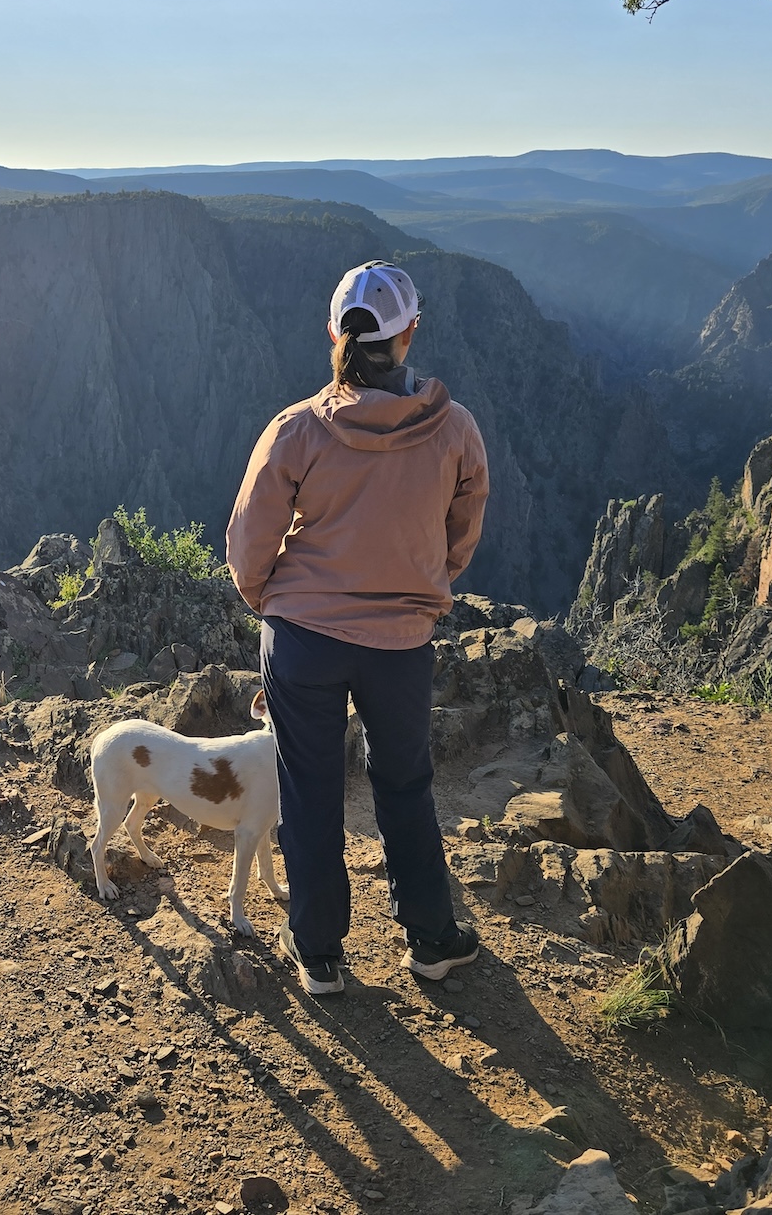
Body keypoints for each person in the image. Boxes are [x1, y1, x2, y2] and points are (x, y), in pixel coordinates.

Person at [225, 260, 488, 995]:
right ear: (411, 336)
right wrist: (422, 586)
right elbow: (461, 534)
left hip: (303, 639)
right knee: (405, 784)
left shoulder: (297, 431)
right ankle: (432, 939)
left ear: (333, 335)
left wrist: (272, 601)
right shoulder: (454, 431)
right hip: (402, 643)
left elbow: (248, 544)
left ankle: (320, 955)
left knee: (308, 791)